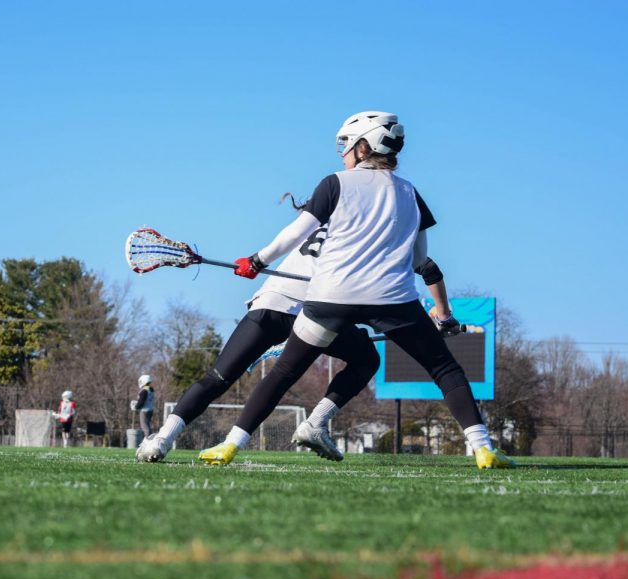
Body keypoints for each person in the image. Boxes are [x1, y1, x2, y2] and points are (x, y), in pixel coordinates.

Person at [202, 111, 513, 470]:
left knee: (284, 372)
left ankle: (229, 446)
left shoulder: (335, 183)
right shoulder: (412, 193)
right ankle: (483, 448)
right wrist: (439, 313)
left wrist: (255, 261)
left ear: (364, 147)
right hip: (394, 300)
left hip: (330, 297)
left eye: (346, 145)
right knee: (445, 370)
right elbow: (420, 259)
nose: (342, 153)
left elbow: (294, 234)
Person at [136, 215, 390, 463]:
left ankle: (161, 440)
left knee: (216, 378)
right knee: (365, 359)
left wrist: (255, 261)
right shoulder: (361, 234)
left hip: (269, 302)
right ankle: (314, 424)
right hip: (312, 313)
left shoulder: (317, 217)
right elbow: (357, 295)